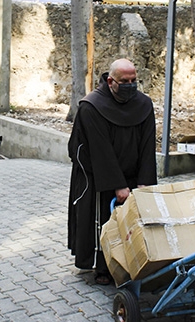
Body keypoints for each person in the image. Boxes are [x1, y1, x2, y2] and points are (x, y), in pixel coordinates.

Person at [67, 58, 157, 285]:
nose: (130, 85)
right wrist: (118, 184)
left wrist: (145, 182)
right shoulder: (92, 107)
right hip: (101, 176)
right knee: (103, 220)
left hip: (134, 174)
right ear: (110, 81)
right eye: (124, 81)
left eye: (134, 80)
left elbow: (148, 145)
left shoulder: (144, 104)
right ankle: (103, 267)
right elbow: (100, 150)